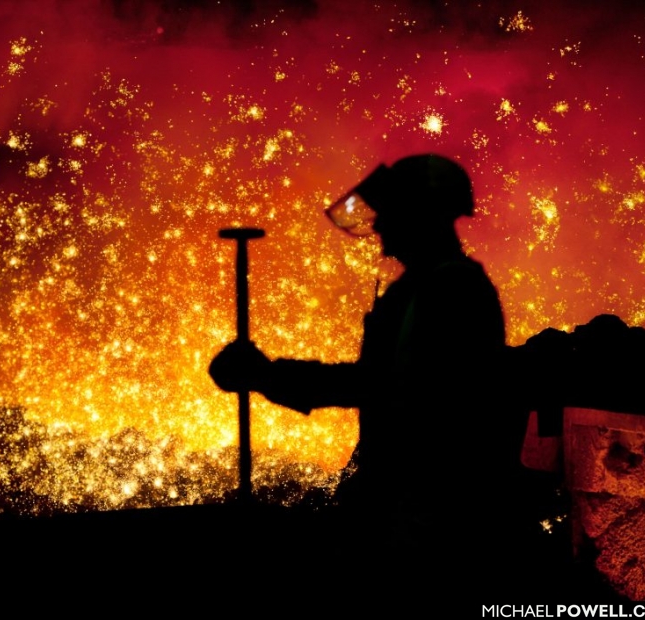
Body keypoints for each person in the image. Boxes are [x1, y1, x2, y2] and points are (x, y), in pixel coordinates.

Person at [209, 153, 531, 587]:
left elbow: (387, 387)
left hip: (434, 511)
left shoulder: (450, 291)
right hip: (417, 497)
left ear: (422, 215)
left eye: (391, 213)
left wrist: (269, 376)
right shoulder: (425, 286)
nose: (378, 226)